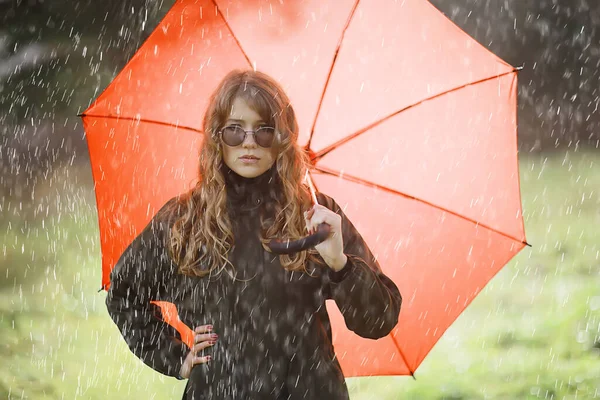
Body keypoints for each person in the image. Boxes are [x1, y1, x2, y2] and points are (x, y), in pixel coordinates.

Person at [105, 70, 402, 400]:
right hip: (220, 392)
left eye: (264, 131)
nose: (249, 142)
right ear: (217, 137)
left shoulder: (314, 216)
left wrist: (340, 264)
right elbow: (124, 294)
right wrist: (176, 357)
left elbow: (379, 319)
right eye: (234, 130)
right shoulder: (184, 219)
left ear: (282, 139)